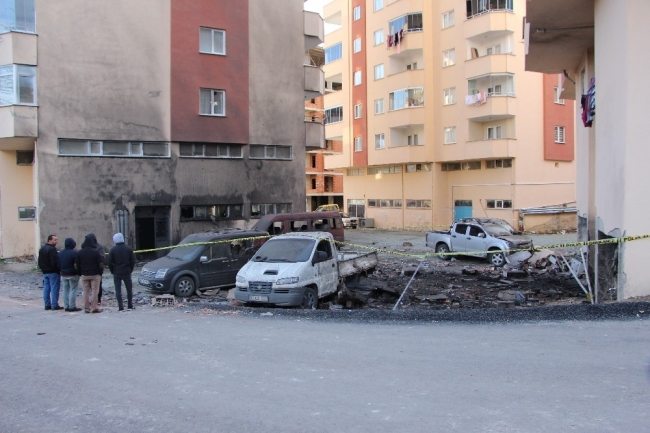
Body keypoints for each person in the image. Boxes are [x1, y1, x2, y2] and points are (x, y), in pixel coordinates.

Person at [75, 233, 105, 313]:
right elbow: (101, 264)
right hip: (95, 274)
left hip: (84, 274)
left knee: (85, 292)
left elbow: (76, 264)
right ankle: (94, 307)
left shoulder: (80, 252)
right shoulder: (96, 252)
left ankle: (86, 308)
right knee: (95, 291)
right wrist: (100, 273)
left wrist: (80, 273)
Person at [107, 233, 136, 311]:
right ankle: (130, 305)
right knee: (129, 289)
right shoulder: (128, 249)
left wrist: (112, 271)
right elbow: (133, 261)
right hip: (127, 271)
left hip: (117, 272)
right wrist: (130, 270)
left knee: (118, 289)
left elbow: (109, 262)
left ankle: (121, 307)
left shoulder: (113, 250)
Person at [37, 234, 61, 310]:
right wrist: (57, 270)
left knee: (46, 288)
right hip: (53, 272)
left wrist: (43, 269)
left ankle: (47, 304)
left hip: (45, 272)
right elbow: (54, 262)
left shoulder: (42, 249)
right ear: (50, 240)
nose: (56, 241)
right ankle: (54, 305)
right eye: (55, 240)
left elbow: (39, 261)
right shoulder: (52, 250)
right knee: (54, 288)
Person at [59, 238, 81, 312]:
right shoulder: (74, 253)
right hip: (72, 274)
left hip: (63, 274)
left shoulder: (60, 253)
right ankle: (72, 306)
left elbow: (58, 264)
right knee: (73, 290)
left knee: (65, 290)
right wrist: (78, 272)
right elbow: (76, 264)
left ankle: (66, 306)